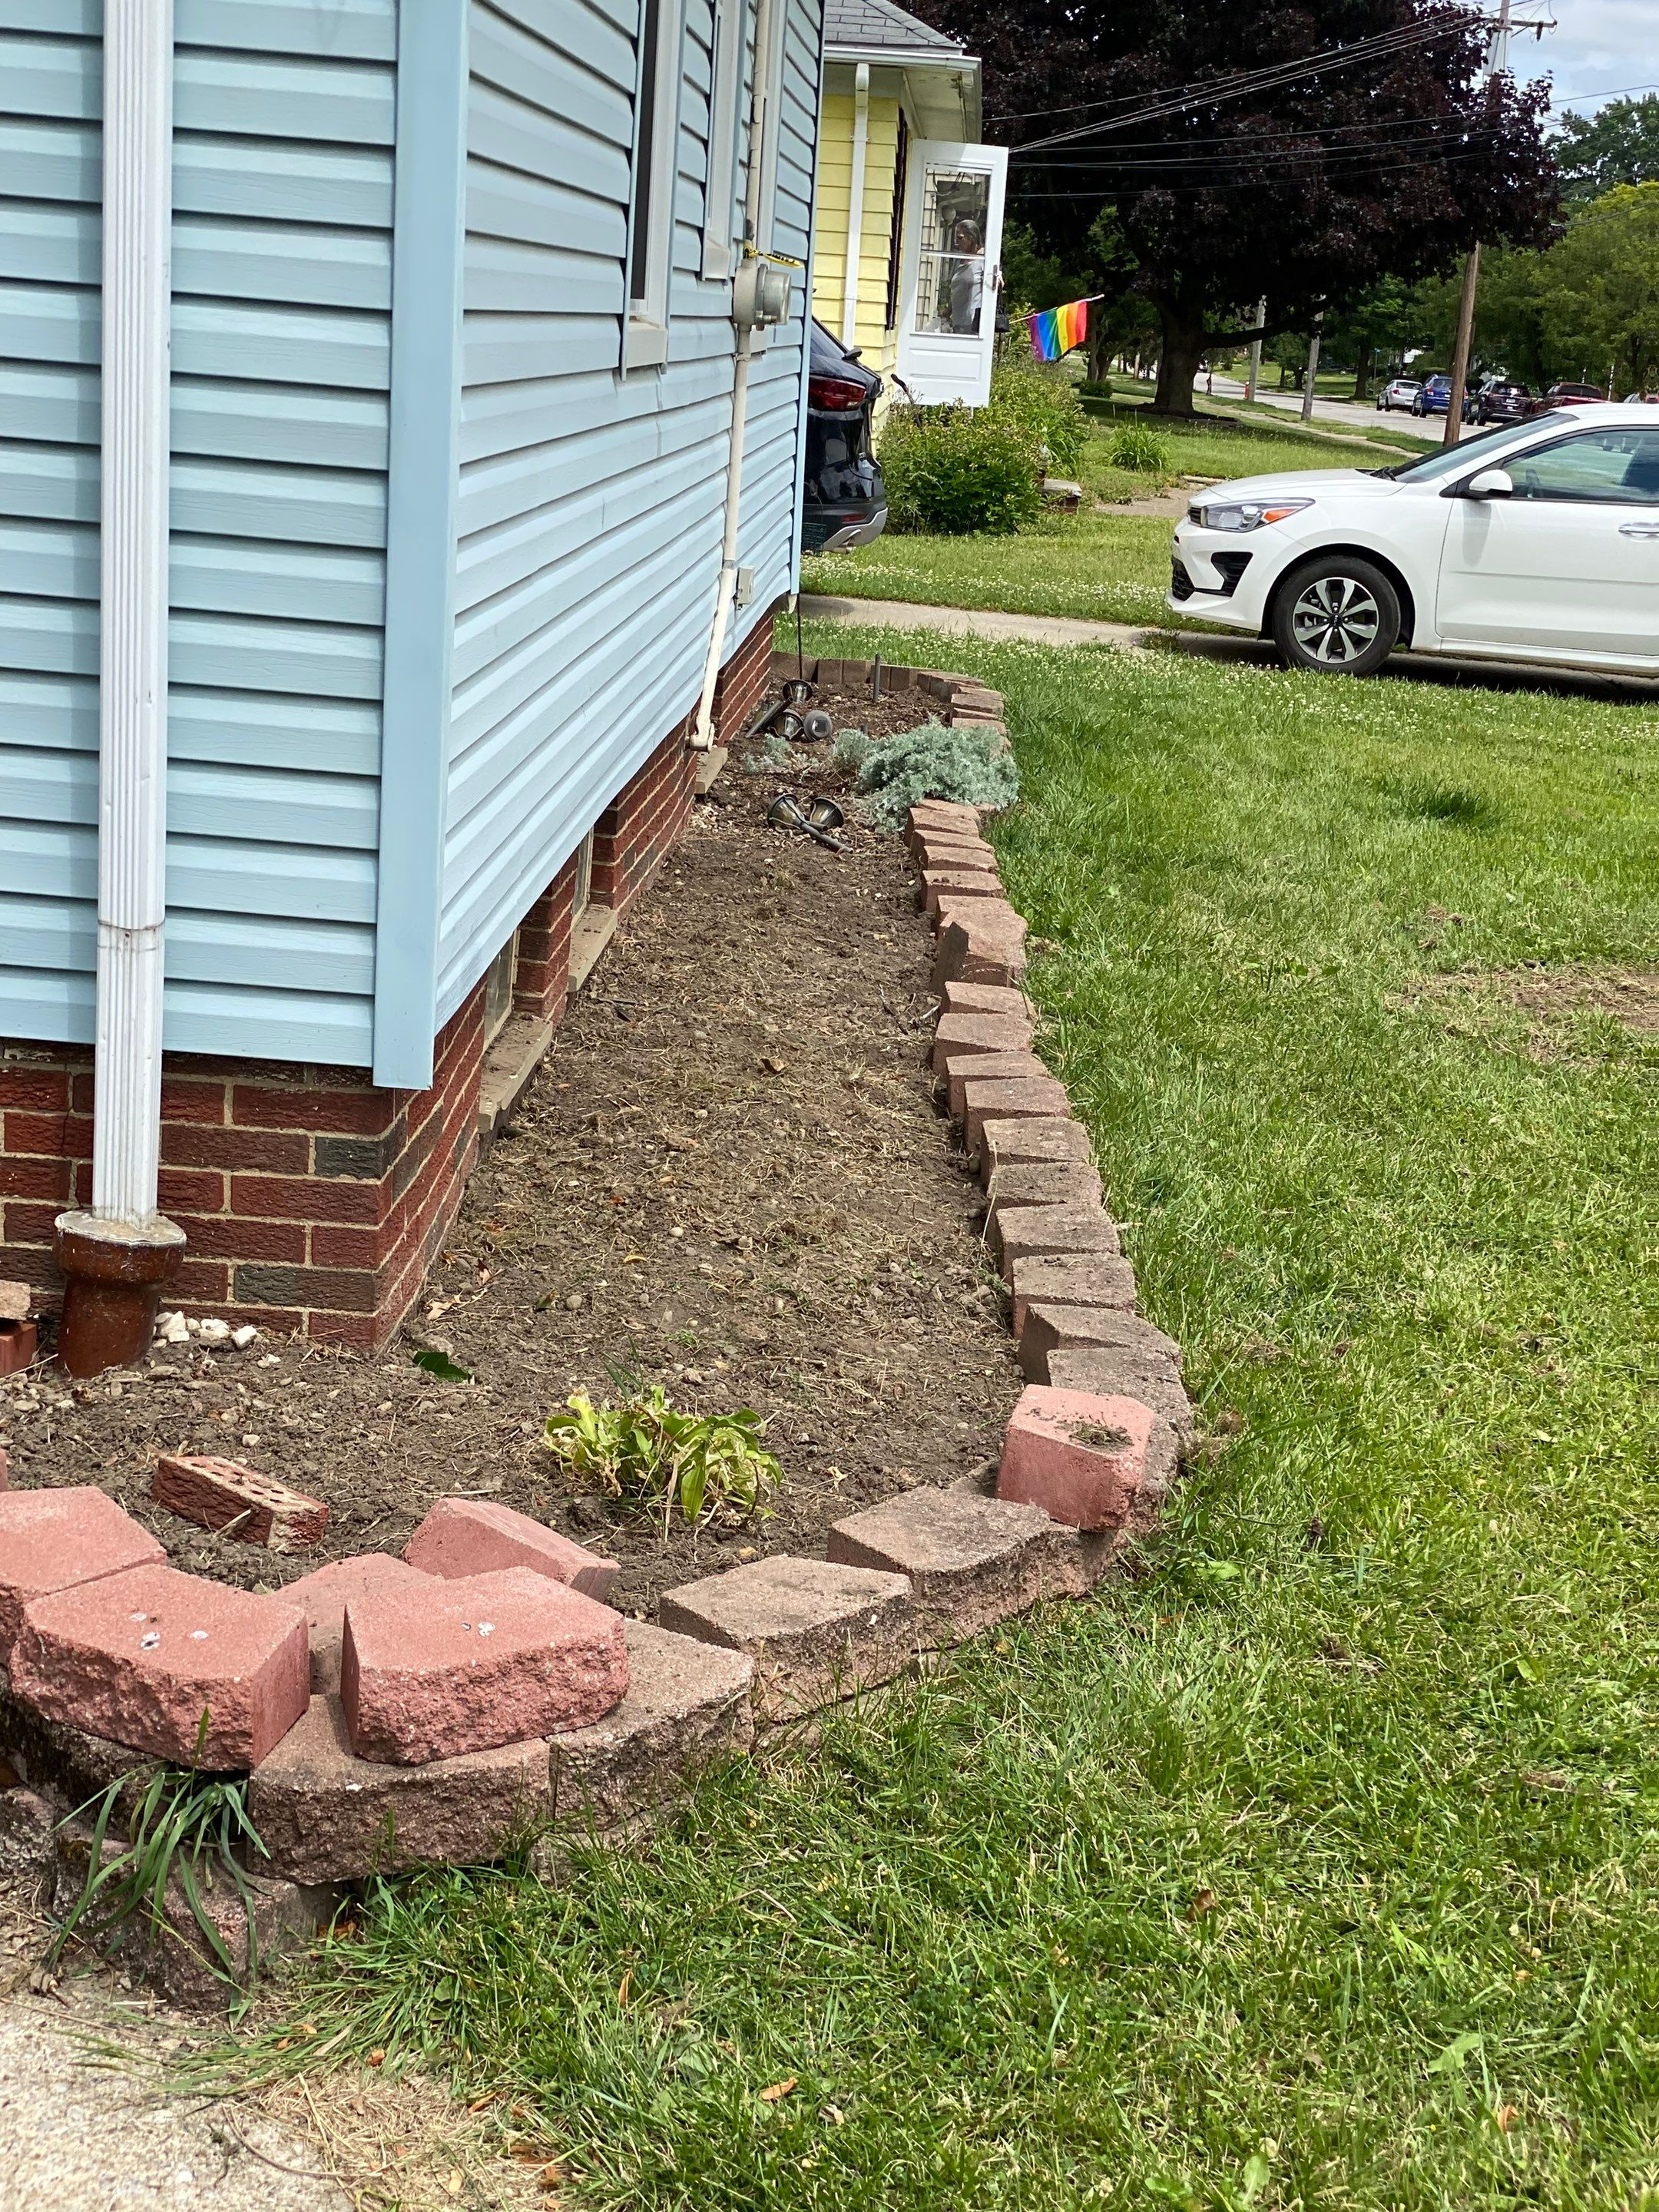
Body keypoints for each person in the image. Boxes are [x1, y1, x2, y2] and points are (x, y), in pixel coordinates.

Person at [947, 217, 984, 335]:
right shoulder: (960, 260)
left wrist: (998, 277)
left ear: (971, 237)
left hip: (973, 325)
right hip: (958, 322)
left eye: (960, 238)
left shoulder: (984, 259)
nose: (957, 243)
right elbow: (958, 291)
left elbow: (994, 277)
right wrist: (948, 311)